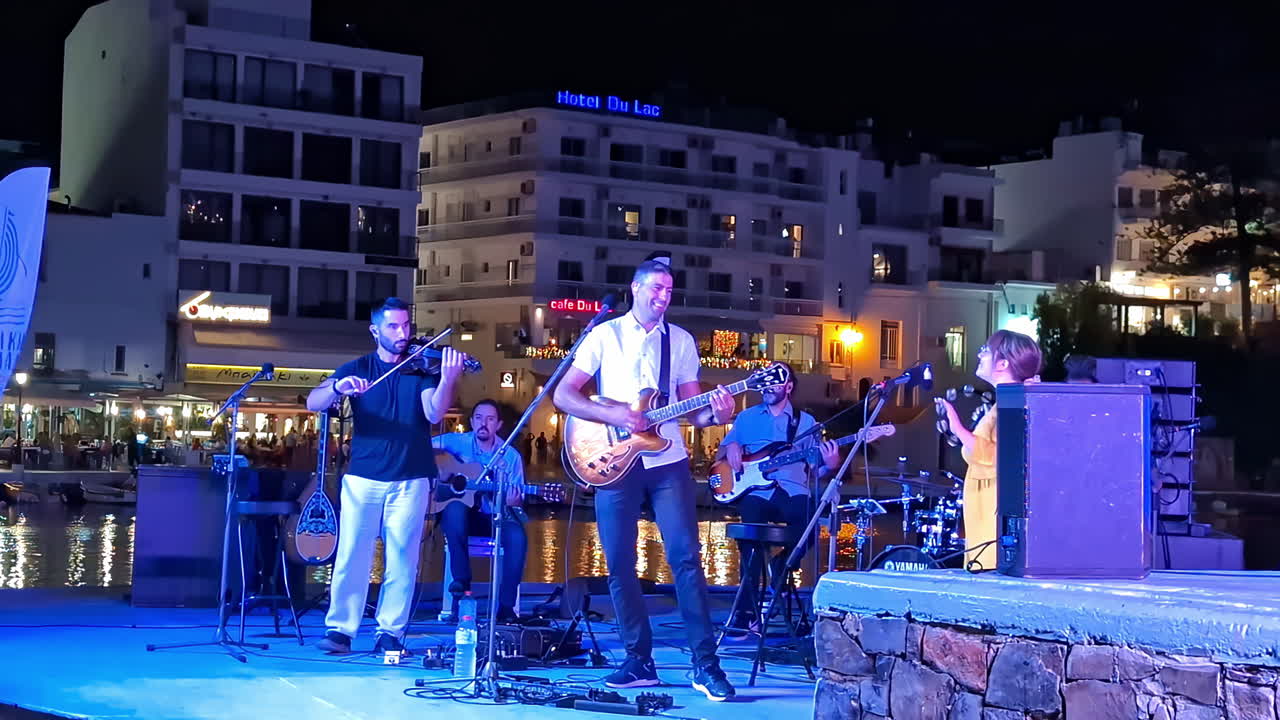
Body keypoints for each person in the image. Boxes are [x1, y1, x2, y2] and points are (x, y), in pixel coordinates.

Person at [553, 259, 737, 701]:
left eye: (670, 290)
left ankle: (705, 665)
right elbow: (563, 394)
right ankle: (639, 661)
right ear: (634, 288)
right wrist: (613, 413)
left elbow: (693, 410)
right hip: (614, 459)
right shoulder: (604, 334)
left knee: (686, 560)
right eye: (656, 288)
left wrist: (717, 414)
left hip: (667, 460)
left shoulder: (682, 342)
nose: (663, 296)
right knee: (618, 563)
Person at [306, 297, 465, 655]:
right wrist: (338, 388)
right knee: (351, 555)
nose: (403, 334)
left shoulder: (422, 370)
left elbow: (434, 411)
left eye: (407, 326)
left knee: (402, 559)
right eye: (394, 327)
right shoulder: (358, 367)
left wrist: (449, 377)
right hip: (363, 476)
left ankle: (390, 631)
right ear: (375, 330)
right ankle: (341, 630)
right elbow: (313, 402)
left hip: (412, 477)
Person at [718, 362, 840, 634]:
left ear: (788, 387)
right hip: (757, 492)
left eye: (775, 382)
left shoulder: (806, 423)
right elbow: (720, 457)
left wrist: (830, 464)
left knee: (808, 524)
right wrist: (731, 447)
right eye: (765, 382)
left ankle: (781, 567)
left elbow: (815, 471)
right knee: (750, 538)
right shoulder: (746, 418)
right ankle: (746, 613)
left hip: (794, 490)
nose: (768, 387)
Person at [937, 330, 1042, 570]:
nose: (980, 354)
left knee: (989, 570)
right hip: (985, 504)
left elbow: (997, 456)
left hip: (993, 506)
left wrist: (958, 428)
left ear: (1003, 363)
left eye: (986, 351)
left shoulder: (1011, 401)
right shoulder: (1006, 401)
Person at [432, 399, 527, 622]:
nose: (484, 423)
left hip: (495, 515)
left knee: (518, 536)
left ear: (499, 424)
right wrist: (443, 471)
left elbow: (517, 498)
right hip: (463, 516)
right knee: (454, 508)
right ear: (472, 422)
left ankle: (506, 607)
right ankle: (462, 583)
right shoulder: (455, 442)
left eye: (490, 419)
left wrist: (514, 500)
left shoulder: (510, 456)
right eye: (479, 418)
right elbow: (422, 446)